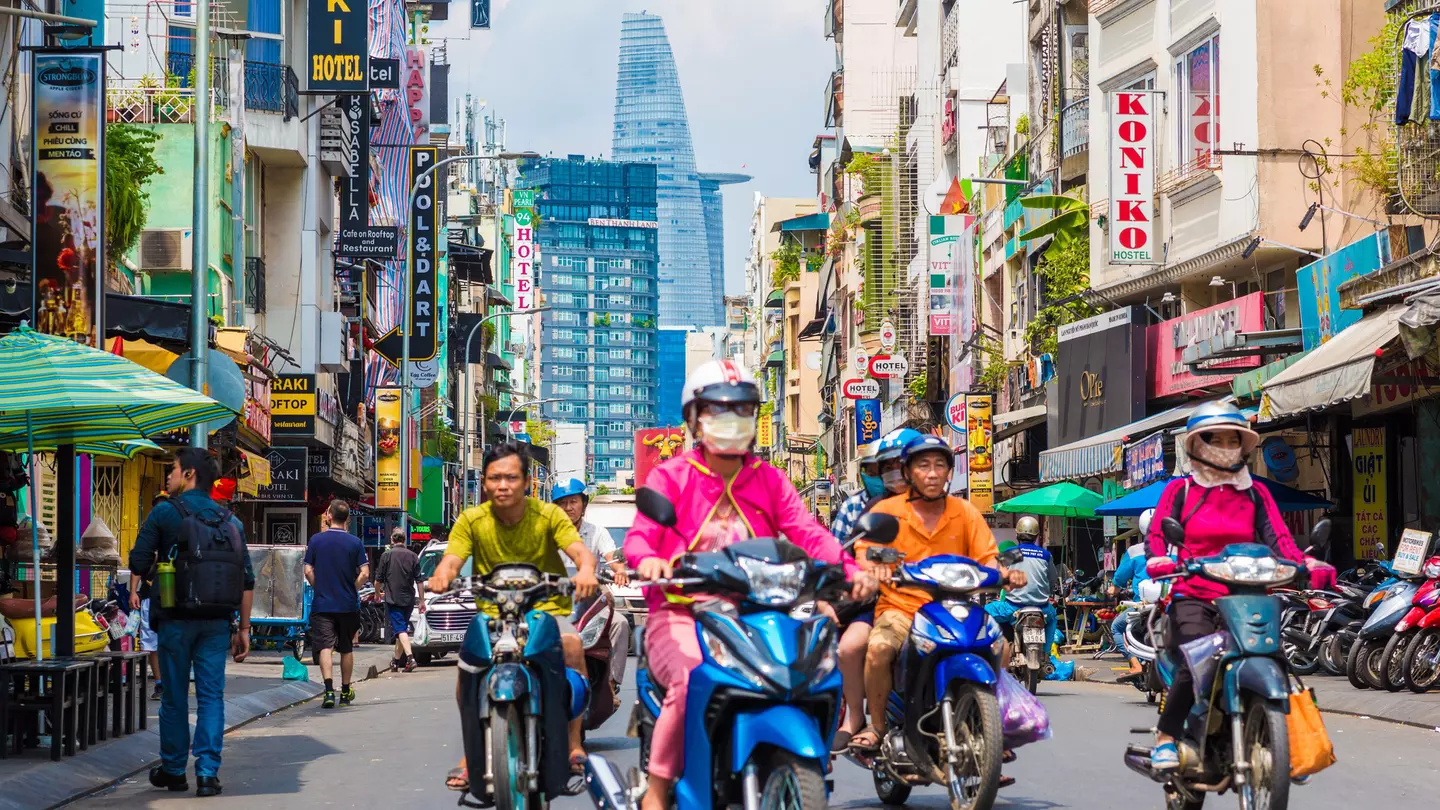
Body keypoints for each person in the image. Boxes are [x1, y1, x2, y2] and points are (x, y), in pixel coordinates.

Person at [625, 360, 876, 810]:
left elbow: (806, 531)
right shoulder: (671, 476)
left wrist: (849, 568)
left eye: (743, 410)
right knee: (688, 679)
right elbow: (641, 535)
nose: (732, 419)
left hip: (762, 609)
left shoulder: (767, 477)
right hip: (684, 609)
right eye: (719, 410)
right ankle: (658, 792)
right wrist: (649, 562)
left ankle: (815, 753)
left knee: (818, 662)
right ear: (693, 419)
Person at [428, 442, 600, 793]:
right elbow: (452, 558)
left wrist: (585, 570)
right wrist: (443, 574)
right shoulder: (471, 520)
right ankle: (471, 752)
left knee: (572, 646)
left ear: (526, 482)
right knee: (468, 667)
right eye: (495, 478)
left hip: (545, 610)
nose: (503, 485)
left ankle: (572, 743)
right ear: (485, 483)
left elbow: (579, 550)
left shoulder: (548, 516)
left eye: (511, 477)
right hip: (492, 614)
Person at [1145, 403, 1306, 771]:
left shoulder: (1256, 494)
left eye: (1232, 439)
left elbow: (1280, 538)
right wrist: (1160, 559)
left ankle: (1282, 741)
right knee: (1197, 659)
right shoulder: (1179, 490)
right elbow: (1157, 536)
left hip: (1247, 596)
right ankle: (1166, 736)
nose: (1223, 445)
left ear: (1243, 446)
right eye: (1213, 438)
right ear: (1196, 446)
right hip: (1193, 593)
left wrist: (1305, 564)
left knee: (1275, 659)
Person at [852, 435, 1026, 755]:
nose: (932, 473)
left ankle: (987, 727)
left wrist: (1006, 574)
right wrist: (873, 568)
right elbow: (865, 551)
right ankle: (876, 726)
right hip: (901, 608)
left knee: (1000, 647)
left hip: (955, 606)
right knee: (878, 649)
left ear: (949, 472)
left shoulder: (965, 511)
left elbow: (987, 556)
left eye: (939, 465)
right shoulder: (887, 511)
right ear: (908, 472)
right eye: (923, 466)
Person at [129, 449, 254, 798]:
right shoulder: (231, 521)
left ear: (189, 476)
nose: (168, 477)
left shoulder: (166, 512)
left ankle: (173, 769)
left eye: (172, 470)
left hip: (175, 620)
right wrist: (244, 629)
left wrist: (161, 558)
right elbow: (247, 579)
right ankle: (207, 772)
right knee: (212, 696)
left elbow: (138, 562)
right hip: (217, 622)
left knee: (174, 696)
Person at [827, 427, 919, 751]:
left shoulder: (943, 506)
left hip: (931, 598)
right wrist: (865, 573)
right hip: (877, 600)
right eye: (884, 468)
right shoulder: (868, 510)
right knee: (853, 648)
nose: (891, 473)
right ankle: (858, 718)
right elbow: (846, 555)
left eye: (900, 465)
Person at [552, 477, 631, 705]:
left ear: (583, 504)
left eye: (573, 502)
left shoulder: (597, 532)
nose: (569, 508)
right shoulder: (547, 533)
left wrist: (619, 571)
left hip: (590, 601)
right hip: (556, 602)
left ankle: (611, 684)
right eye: (563, 503)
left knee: (620, 624)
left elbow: (611, 557)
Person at [304, 500, 370, 709]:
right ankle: (346, 689)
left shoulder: (316, 540)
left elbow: (307, 570)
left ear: (329, 516)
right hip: (348, 605)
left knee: (325, 646)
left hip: (323, 604)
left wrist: (319, 587)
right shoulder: (355, 543)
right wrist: (353, 588)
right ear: (347, 519)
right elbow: (365, 573)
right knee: (346, 647)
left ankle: (328, 691)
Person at [984, 515, 1060, 669]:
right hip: (1042, 607)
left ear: (1017, 535)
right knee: (1052, 619)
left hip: (1013, 607)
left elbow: (997, 575)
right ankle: (1046, 654)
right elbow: (1052, 580)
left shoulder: (1012, 553)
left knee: (985, 612)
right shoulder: (1044, 554)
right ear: (1037, 536)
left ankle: (990, 651)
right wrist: (1050, 592)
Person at [128, 491, 171, 702]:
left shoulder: (179, 532)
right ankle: (160, 683)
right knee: (151, 641)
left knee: (171, 639)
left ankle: (172, 681)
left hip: (173, 595)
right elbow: (137, 564)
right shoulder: (147, 535)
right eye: (157, 507)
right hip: (149, 594)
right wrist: (133, 591)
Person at [1109, 509, 1157, 682]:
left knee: (1116, 627)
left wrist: (1113, 589)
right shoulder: (1173, 548)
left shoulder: (1135, 551)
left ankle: (1135, 663)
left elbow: (1120, 578)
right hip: (1168, 602)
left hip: (1142, 605)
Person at [375, 527, 421, 672]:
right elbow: (419, 581)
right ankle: (395, 661)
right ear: (404, 540)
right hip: (408, 599)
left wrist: (377, 594)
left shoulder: (386, 556)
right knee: (401, 631)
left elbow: (378, 579)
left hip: (393, 599)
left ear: (392, 540)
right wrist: (423, 600)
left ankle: (410, 658)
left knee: (400, 629)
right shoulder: (413, 556)